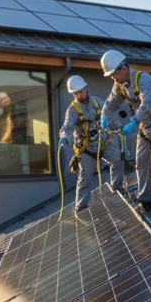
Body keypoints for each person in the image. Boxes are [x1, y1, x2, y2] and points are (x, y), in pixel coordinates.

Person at [100, 49, 151, 216]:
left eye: (114, 74)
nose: (113, 78)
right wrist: (104, 116)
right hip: (146, 126)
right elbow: (110, 104)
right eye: (111, 75)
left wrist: (134, 122)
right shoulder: (119, 86)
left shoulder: (144, 79)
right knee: (140, 161)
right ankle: (146, 199)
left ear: (124, 68)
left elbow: (147, 105)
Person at [60, 74, 123, 213]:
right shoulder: (73, 110)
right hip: (86, 148)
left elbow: (108, 114)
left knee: (117, 161)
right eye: (77, 93)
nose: (81, 95)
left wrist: (117, 125)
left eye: (82, 91)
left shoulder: (97, 102)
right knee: (85, 178)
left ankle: (117, 189)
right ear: (73, 94)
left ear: (86, 88)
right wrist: (64, 138)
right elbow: (67, 128)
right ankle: (81, 208)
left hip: (103, 142)